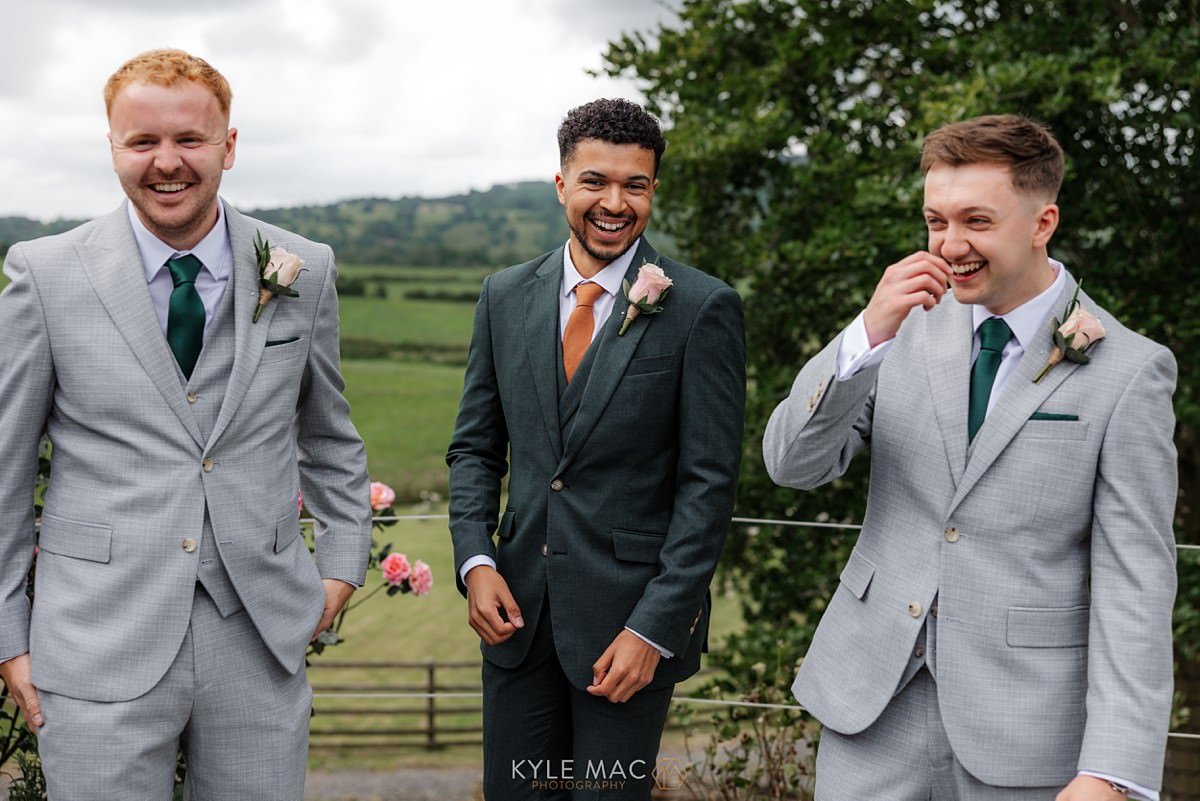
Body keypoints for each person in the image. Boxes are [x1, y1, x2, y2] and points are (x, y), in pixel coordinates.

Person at [763, 114, 1177, 801]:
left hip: (1026, 731)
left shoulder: (1129, 371)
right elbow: (792, 464)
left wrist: (1112, 768)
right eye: (935, 221)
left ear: (1042, 222)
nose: (950, 245)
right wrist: (863, 336)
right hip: (870, 710)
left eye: (975, 221)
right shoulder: (903, 327)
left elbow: (1136, 584)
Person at [0, 49, 371, 800]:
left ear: (228, 146)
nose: (167, 162)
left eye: (190, 140)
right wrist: (7, 632)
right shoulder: (44, 274)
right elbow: (6, 468)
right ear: (112, 147)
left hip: (259, 637)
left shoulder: (304, 267)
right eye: (142, 143)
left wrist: (340, 561)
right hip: (95, 639)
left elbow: (329, 436)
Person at [446, 98, 745, 800]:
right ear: (561, 184)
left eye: (634, 185)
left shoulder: (702, 308)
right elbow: (475, 448)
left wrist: (655, 628)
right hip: (515, 620)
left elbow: (708, 488)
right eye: (595, 182)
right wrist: (475, 559)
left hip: (627, 640)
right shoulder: (503, 296)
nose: (614, 203)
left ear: (653, 191)